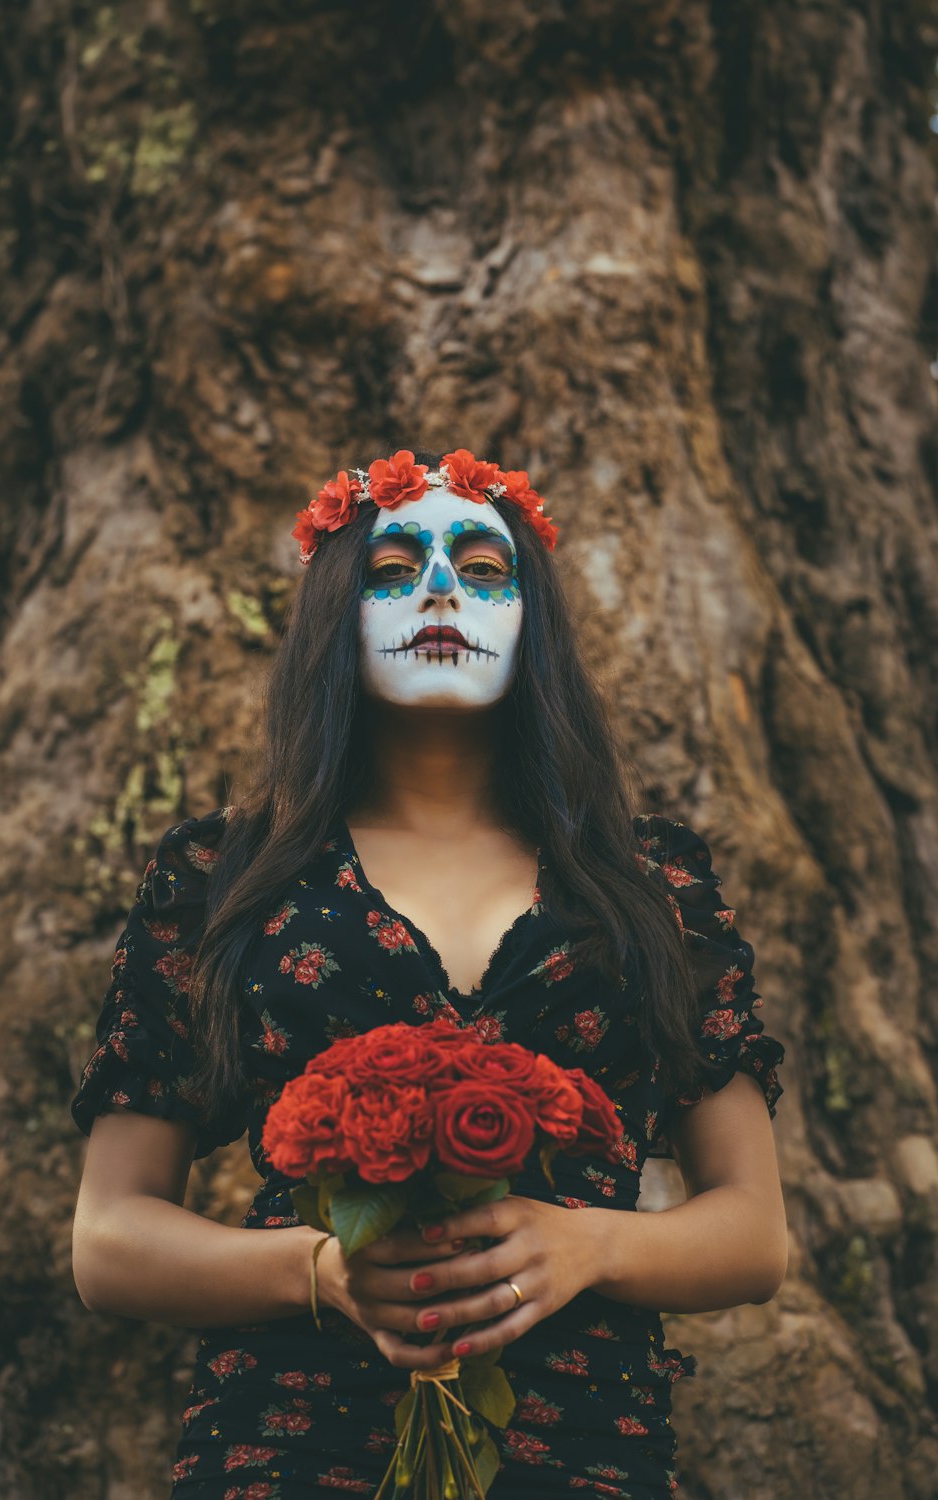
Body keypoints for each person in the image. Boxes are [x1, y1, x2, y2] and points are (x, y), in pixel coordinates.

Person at [70, 447, 787, 1499]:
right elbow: (109, 1238)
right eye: (394, 566)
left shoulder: (651, 883)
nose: (441, 588)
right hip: (288, 1443)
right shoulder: (218, 876)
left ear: (532, 621)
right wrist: (321, 1273)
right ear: (333, 615)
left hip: (584, 1443)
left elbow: (754, 1235)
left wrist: (588, 1246)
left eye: (485, 572)